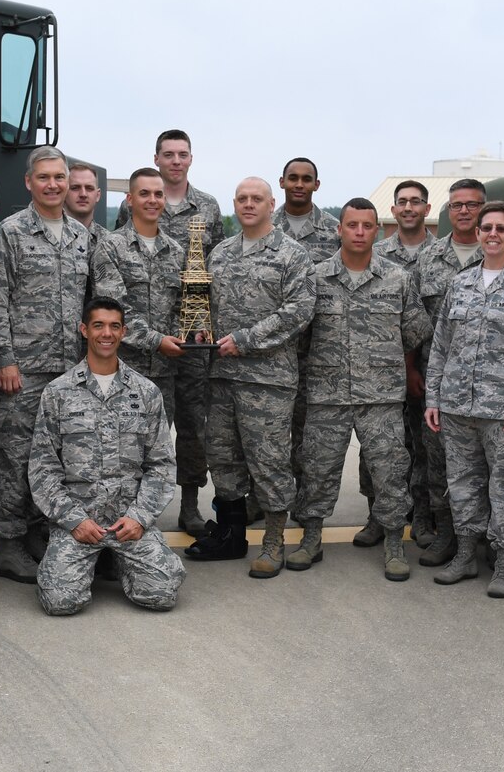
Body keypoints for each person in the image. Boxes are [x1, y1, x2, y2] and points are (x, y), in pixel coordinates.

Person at [362, 179, 504, 562]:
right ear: (447, 210)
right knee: (439, 462)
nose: (466, 212)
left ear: (486, 209)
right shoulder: (430, 257)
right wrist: (412, 369)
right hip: (440, 379)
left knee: (494, 469)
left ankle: (493, 542)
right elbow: (416, 321)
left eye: (473, 205)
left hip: (496, 384)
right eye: (457, 205)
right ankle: (445, 531)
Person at [291, 198, 430, 581]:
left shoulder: (398, 278)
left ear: (377, 230)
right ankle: (311, 538)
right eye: (351, 225)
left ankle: (393, 544)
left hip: (380, 397)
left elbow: (416, 332)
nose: (359, 232)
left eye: (367, 226)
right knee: (317, 468)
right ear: (339, 229)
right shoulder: (315, 278)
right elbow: (300, 337)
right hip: (326, 394)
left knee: (389, 473)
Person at [182, 178, 315, 577]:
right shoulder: (220, 253)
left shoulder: (292, 255)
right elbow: (204, 308)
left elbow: (299, 310)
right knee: (223, 459)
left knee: (270, 461)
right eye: (241, 199)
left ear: (271, 204)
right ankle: (231, 535)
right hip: (222, 377)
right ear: (234, 205)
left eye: (256, 198)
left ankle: (274, 541)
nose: (248, 204)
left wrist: (246, 340)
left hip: (267, 381)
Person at [424, 201, 504, 598]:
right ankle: (464, 555)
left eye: (500, 229)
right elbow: (441, 346)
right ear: (477, 235)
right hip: (457, 405)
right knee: (461, 484)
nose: (492, 234)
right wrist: (433, 397)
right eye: (486, 228)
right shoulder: (459, 284)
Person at [29, 297, 185, 614]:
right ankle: (90, 561)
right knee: (60, 602)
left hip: (129, 523)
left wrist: (140, 518)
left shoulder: (146, 392)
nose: (106, 334)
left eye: (114, 326)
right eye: (98, 325)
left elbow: (161, 467)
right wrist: (73, 520)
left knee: (162, 595)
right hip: (80, 523)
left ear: (124, 332)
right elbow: (43, 469)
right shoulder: (58, 392)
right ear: (84, 330)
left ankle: (117, 560)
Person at [0, 146, 90, 583]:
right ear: (29, 182)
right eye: (44, 177)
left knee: (54, 457)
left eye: (59, 177)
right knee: (14, 455)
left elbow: (89, 304)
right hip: (24, 370)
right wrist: (5, 359)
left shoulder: (83, 236)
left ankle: (36, 533)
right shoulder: (10, 233)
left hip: (69, 370)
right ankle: (8, 544)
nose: (53, 184)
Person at [116, 130, 224, 537]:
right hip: (142, 350)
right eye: (169, 154)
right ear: (157, 159)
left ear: (191, 159)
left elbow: (206, 277)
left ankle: (191, 506)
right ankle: (134, 510)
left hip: (191, 347)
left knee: (193, 427)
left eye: (183, 154)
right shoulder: (124, 229)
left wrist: (200, 330)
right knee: (138, 434)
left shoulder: (208, 208)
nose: (176, 160)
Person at [91, 168, 200, 533]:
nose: (153, 201)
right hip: (123, 370)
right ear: (130, 200)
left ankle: (140, 527)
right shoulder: (110, 247)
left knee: (155, 454)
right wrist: (157, 340)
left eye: (158, 195)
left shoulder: (179, 251)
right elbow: (113, 310)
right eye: (145, 194)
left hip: (167, 373)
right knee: (116, 454)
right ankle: (109, 528)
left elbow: (186, 308)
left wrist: (190, 335)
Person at [271, 157, 341, 526]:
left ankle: (304, 499)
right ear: (281, 182)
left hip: (319, 349)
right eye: (293, 178)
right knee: (270, 429)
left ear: (317, 184)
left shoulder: (334, 231)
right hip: (273, 350)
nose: (299, 184)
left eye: (306, 179)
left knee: (310, 431)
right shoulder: (266, 227)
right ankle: (265, 497)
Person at [366, 180, 434, 549]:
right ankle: (376, 517)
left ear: (426, 208)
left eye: (415, 202)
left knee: (423, 446)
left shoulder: (440, 255)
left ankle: (422, 518)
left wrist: (417, 370)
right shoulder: (375, 254)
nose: (408, 207)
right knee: (379, 450)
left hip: (429, 369)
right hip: (381, 371)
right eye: (402, 202)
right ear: (392, 211)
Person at [64, 160, 108, 255]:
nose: (83, 194)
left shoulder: (111, 243)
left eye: (89, 188)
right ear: (64, 192)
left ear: (98, 195)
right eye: (75, 188)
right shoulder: (49, 237)